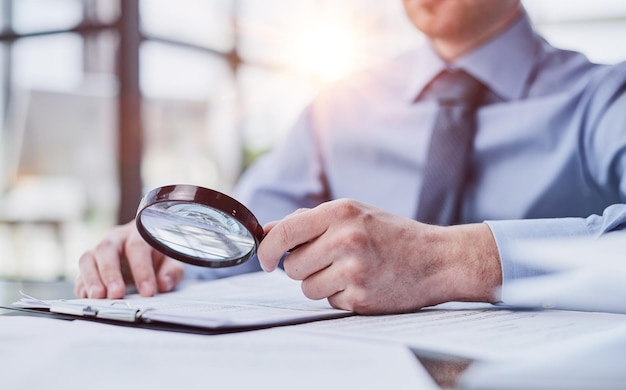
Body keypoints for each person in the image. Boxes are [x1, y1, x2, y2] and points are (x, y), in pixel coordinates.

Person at [75, 0, 626, 315]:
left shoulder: (604, 98)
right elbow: (250, 239)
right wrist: (165, 256)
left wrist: (447, 260)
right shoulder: (338, 104)